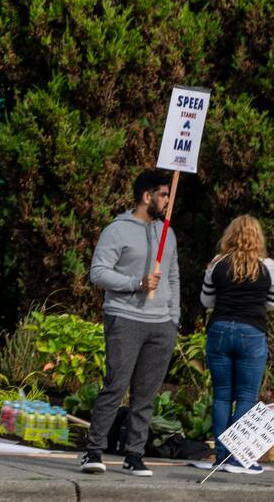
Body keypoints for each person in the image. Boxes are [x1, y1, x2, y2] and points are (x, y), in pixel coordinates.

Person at [81, 169, 179, 477]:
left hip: (161, 323)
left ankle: (134, 453)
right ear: (146, 196)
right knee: (116, 386)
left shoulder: (167, 232)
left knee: (145, 394)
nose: (167, 200)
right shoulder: (117, 230)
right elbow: (98, 272)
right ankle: (93, 451)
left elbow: (173, 277)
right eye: (163, 194)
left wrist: (173, 317)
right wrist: (136, 283)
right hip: (125, 317)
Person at [200, 215, 273, 475]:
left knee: (221, 396)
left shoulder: (217, 264)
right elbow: (272, 302)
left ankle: (220, 455)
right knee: (245, 396)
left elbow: (206, 301)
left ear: (229, 235)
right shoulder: (267, 266)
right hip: (251, 332)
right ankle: (237, 457)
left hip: (219, 330)